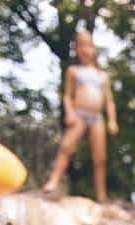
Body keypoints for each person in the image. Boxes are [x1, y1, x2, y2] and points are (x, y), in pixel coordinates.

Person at [42, 31, 118, 202]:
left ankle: (101, 194)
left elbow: (109, 101)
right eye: (81, 46)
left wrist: (112, 120)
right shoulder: (73, 71)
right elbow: (67, 95)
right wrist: (69, 112)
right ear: (76, 49)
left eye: (88, 45)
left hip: (97, 117)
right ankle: (53, 181)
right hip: (79, 115)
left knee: (100, 157)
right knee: (66, 146)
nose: (85, 50)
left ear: (93, 49)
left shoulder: (102, 76)